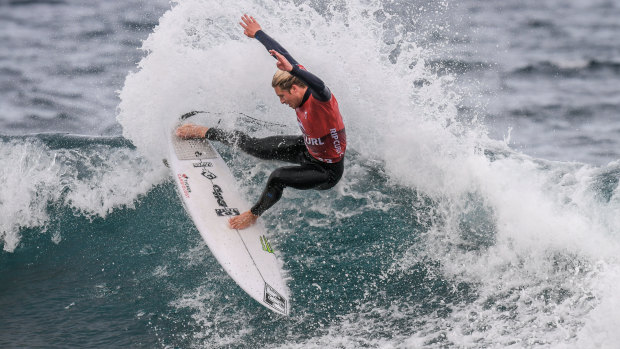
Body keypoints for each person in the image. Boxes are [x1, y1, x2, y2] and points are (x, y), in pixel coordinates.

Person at [176, 14, 347, 229]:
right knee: (254, 145)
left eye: (282, 96)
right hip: (308, 149)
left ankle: (253, 215)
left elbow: (320, 85)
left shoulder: (322, 101)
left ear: (294, 88)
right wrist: (258, 33)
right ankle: (204, 131)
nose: (282, 101)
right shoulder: (294, 80)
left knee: (278, 177)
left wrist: (293, 69)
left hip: (326, 171)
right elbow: (283, 55)